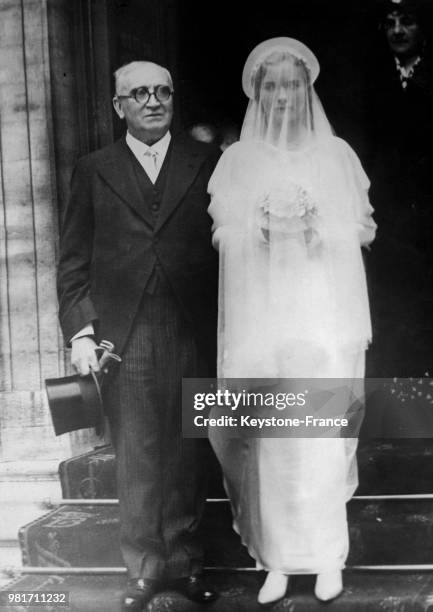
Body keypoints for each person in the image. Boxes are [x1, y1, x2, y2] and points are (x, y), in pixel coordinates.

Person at [207, 38, 376, 604]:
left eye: (293, 84)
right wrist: (255, 225)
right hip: (264, 313)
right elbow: (219, 231)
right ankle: (278, 559)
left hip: (323, 311)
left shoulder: (336, 156)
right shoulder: (238, 161)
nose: (283, 95)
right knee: (275, 437)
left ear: (309, 89)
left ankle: (328, 557)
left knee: (321, 433)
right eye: (272, 85)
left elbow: (365, 227)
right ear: (258, 93)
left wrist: (314, 225)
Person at [57, 61, 219, 611]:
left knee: (188, 447)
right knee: (138, 450)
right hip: (121, 335)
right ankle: (146, 568)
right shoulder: (93, 168)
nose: (153, 101)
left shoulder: (206, 163)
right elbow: (74, 261)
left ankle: (184, 561)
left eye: (163, 92)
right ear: (118, 105)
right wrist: (80, 333)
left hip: (192, 324)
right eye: (139, 93)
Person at [365, 0, 433, 377]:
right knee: (391, 316)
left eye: (407, 21)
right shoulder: (373, 79)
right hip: (389, 221)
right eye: (390, 22)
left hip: (427, 218)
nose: (398, 31)